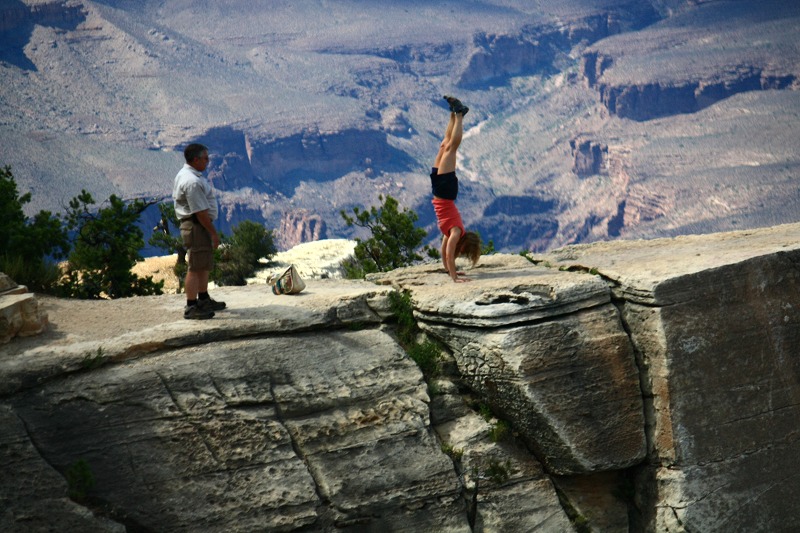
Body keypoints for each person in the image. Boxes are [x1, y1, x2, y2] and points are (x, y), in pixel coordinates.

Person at [430, 96, 481, 282]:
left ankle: (453, 113)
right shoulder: (456, 232)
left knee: (444, 145)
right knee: (451, 148)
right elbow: (450, 255)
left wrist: (449, 271)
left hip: (440, 191)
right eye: (463, 252)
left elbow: (445, 255)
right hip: (445, 192)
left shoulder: (451, 233)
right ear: (464, 245)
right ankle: (459, 115)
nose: (459, 253)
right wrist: (455, 278)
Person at [173, 143, 226, 319]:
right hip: (196, 226)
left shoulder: (189, 175)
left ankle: (203, 299)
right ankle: (191, 306)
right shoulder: (191, 181)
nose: (208, 161)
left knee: (203, 263)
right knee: (195, 266)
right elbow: (200, 212)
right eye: (205, 158)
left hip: (198, 225)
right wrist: (213, 233)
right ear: (195, 159)